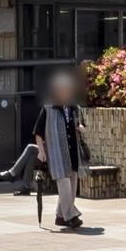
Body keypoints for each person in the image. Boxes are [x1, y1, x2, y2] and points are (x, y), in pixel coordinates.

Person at [37, 69, 90, 231]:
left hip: (73, 154)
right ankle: (71, 216)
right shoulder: (48, 108)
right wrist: (41, 151)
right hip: (57, 154)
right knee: (65, 185)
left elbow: (84, 126)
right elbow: (38, 132)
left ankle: (60, 216)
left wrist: (81, 128)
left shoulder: (75, 108)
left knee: (72, 188)